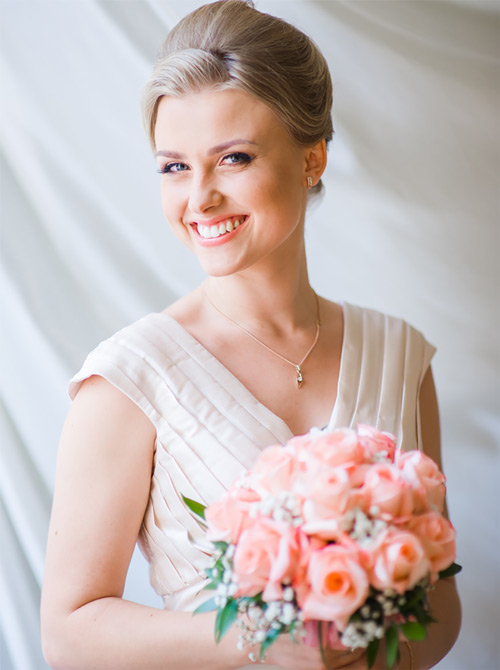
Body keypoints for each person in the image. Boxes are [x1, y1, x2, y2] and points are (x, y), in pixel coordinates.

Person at [41, 1, 461, 668]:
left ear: (311, 160)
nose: (200, 197)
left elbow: (437, 605)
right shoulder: (129, 377)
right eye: (174, 166)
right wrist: (256, 642)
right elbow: (68, 633)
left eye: (232, 158)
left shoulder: (401, 357)